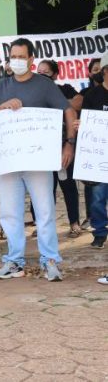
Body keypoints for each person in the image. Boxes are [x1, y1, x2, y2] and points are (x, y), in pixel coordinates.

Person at [0, 38, 76, 282]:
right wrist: (3, 106)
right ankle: (14, 262)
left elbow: (67, 110)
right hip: (8, 161)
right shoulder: (2, 86)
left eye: (21, 56)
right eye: (12, 56)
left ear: (31, 59)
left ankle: (51, 261)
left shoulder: (44, 85)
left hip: (39, 161)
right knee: (10, 213)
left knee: (45, 211)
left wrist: (69, 143)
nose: (16, 61)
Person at [36, 59, 82, 237]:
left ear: (55, 74)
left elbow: (78, 102)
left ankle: (74, 222)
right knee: (43, 189)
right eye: (38, 71)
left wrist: (61, 104)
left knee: (68, 185)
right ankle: (44, 225)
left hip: (63, 147)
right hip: (40, 149)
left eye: (46, 72)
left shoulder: (65, 89)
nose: (41, 75)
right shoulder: (33, 92)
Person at [78, 53, 108, 252]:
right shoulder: (91, 96)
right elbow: (84, 123)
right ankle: (99, 232)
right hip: (99, 156)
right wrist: (81, 125)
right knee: (97, 197)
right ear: (105, 72)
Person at [79, 58, 101, 229]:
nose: (99, 72)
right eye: (95, 69)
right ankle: (93, 219)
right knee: (93, 187)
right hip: (94, 148)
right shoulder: (87, 94)